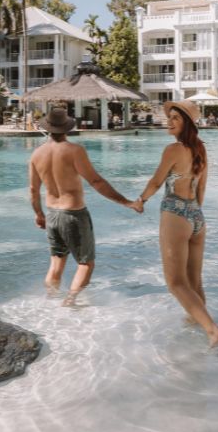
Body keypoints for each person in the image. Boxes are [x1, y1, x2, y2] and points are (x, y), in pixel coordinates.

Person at [134, 100, 218, 348]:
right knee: (194, 282)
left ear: (186, 123)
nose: (169, 121)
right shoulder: (201, 149)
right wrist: (193, 212)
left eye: (175, 117)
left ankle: (212, 329)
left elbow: (156, 181)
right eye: (170, 116)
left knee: (175, 283)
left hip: (175, 213)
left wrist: (140, 200)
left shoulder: (173, 150)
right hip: (197, 217)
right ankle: (196, 328)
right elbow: (202, 188)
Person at [28, 107, 139, 305]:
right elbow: (96, 182)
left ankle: (50, 302)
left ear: (48, 128)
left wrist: (39, 214)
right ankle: (70, 301)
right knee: (85, 263)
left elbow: (33, 190)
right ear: (67, 128)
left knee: (56, 261)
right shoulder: (74, 151)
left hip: (52, 214)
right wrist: (127, 202)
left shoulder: (36, 154)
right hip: (73, 214)